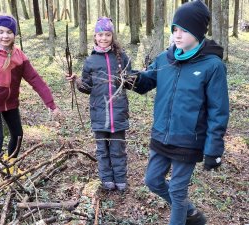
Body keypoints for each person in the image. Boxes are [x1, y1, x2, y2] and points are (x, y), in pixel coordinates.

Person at [130, 1, 229, 225]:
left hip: (188, 140)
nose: (177, 34)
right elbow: (147, 81)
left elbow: (218, 111)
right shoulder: (166, 58)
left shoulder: (212, 66)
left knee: (177, 190)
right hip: (161, 134)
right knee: (153, 181)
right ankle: (190, 213)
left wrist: (214, 149)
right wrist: (130, 78)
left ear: (198, 31)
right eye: (175, 28)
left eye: (184, 29)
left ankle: (181, 214)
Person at [0, 14, 60, 167]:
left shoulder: (18, 54)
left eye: (9, 32)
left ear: (14, 34)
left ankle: (11, 165)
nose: (5, 36)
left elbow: (35, 79)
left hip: (11, 103)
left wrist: (50, 104)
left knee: (18, 135)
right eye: (1, 32)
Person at [66, 17, 132, 191]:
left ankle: (120, 179)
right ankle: (107, 179)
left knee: (118, 149)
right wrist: (77, 81)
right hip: (99, 112)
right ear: (95, 36)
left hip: (118, 112)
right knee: (102, 150)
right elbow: (87, 87)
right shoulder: (90, 61)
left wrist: (133, 76)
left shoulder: (121, 58)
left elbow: (130, 81)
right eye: (100, 35)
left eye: (107, 34)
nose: (104, 38)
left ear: (112, 36)